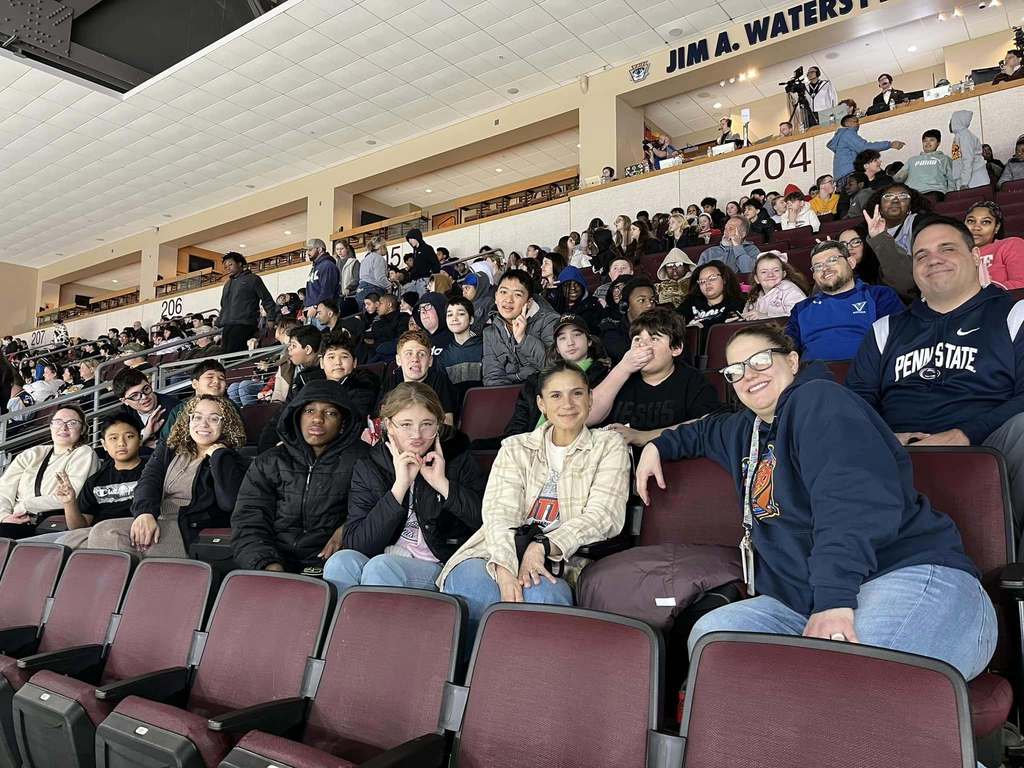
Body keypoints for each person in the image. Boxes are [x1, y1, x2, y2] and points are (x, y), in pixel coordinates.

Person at [636, 325, 995, 681]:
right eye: (735, 371)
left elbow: (850, 502)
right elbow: (700, 431)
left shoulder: (820, 400)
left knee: (848, 679)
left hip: (907, 575)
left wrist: (834, 600)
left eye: (760, 360)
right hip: (804, 602)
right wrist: (658, 446)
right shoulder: (744, 430)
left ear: (792, 361)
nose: (749, 376)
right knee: (713, 636)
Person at [847, 215, 1024, 540]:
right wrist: (884, 437)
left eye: (947, 249)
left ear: (974, 257)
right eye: (921, 255)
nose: (933, 260)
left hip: (989, 442)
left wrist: (965, 434)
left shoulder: (1014, 313)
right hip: (896, 450)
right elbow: (856, 403)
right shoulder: (886, 329)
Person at [439, 361, 631, 635]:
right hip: (496, 549)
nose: (567, 403)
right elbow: (499, 512)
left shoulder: (608, 446)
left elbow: (604, 515)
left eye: (577, 393)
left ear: (590, 399)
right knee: (472, 586)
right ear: (541, 404)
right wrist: (505, 569)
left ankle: (530, 675)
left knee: (542, 597)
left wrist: (542, 545)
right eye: (556, 395)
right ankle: (473, 674)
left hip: (563, 558)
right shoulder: (516, 448)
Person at [323, 383, 484, 592]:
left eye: (427, 424)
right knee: (340, 562)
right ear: (389, 425)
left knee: (380, 568)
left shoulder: (458, 457)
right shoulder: (370, 466)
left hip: (437, 563)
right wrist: (399, 487)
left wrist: (442, 484)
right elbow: (358, 544)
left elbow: (485, 521)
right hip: (386, 556)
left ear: (438, 425)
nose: (416, 434)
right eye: (406, 424)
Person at [233, 381, 369, 573]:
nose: (317, 419)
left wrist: (348, 529)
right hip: (274, 563)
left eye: (330, 413)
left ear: (342, 423)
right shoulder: (269, 462)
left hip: (335, 567)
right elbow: (248, 521)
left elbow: (375, 511)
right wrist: (267, 564)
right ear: (296, 416)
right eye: (309, 411)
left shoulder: (363, 460)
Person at [87, 396, 247, 558]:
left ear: (226, 424)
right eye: (197, 417)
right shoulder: (170, 448)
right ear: (188, 420)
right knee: (84, 536)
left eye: (213, 418)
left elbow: (229, 503)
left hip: (189, 531)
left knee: (107, 534)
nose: (203, 424)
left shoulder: (232, 460)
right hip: (158, 519)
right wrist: (144, 513)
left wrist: (219, 455)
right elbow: (148, 481)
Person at [590, 308, 719, 446]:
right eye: (637, 339)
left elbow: (709, 423)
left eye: (654, 339)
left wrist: (643, 436)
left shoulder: (693, 381)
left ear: (676, 348)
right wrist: (622, 368)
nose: (642, 345)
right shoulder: (619, 376)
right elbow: (587, 418)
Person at [40, 411, 145, 547]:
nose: (121, 443)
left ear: (140, 440)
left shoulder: (154, 472)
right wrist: (69, 502)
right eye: (113, 438)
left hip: (135, 533)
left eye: (129, 436)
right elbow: (79, 527)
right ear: (104, 444)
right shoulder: (95, 481)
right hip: (98, 537)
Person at [787, 240, 903, 361]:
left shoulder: (879, 295)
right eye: (818, 266)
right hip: (812, 374)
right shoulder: (801, 308)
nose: (825, 268)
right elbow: (788, 349)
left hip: (868, 372)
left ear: (851, 262)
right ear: (814, 276)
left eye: (832, 260)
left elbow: (900, 340)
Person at [0, 405, 99, 538]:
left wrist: (24, 506)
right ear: (50, 426)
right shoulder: (32, 453)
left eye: (72, 423)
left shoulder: (84, 453)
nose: (64, 427)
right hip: (12, 520)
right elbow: (4, 490)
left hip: (49, 523)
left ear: (82, 430)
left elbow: (71, 497)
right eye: (58, 422)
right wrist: (4, 516)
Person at [503, 316, 609, 439]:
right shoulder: (535, 381)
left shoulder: (605, 375)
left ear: (589, 341)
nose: (570, 342)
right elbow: (517, 426)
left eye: (577, 335)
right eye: (562, 338)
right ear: (557, 348)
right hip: (531, 447)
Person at [482, 269, 558, 386]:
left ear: (529, 302)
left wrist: (523, 339)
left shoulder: (550, 321)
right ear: (496, 296)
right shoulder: (490, 331)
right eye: (503, 292)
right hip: (508, 395)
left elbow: (553, 367)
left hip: (542, 390)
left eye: (517, 294)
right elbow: (493, 376)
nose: (508, 300)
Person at [380, 329, 459, 425]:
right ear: (398, 360)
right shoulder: (392, 382)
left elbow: (448, 422)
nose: (415, 359)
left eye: (421, 354)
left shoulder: (439, 381)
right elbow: (379, 419)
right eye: (409, 353)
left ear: (430, 361)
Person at [218, 251, 277, 353]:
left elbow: (267, 299)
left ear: (240, 263)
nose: (228, 268)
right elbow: (223, 305)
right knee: (224, 355)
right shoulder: (227, 283)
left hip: (244, 323)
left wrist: (271, 318)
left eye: (230, 264)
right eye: (226, 267)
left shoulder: (253, 279)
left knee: (234, 355)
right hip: (228, 325)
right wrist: (220, 321)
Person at [159, 359, 230, 441]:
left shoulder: (231, 408)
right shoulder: (180, 410)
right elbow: (166, 442)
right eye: (210, 377)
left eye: (221, 378)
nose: (216, 381)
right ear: (195, 384)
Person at [826, 114, 904, 185]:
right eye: (855, 121)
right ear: (847, 123)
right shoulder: (847, 133)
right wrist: (889, 144)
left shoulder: (841, 137)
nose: (858, 124)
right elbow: (864, 147)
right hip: (850, 174)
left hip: (841, 177)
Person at [320, 330, 379, 422]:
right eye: (331, 357)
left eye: (344, 357)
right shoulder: (310, 384)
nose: (338, 362)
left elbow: (355, 421)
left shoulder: (364, 386)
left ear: (354, 362)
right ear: (321, 363)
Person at [112, 368, 177, 451]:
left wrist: (139, 445)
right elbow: (119, 448)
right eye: (135, 395)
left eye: (146, 389)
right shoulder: (124, 414)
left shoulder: (174, 408)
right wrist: (145, 434)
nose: (144, 397)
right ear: (124, 401)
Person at [964, 202, 1024, 290]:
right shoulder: (957, 254)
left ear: (996, 227)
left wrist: (985, 291)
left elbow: (1021, 283)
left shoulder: (1010, 244)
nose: (976, 227)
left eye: (985, 222)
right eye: (971, 221)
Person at [601, 278, 656, 364]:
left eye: (652, 300)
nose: (649, 305)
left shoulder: (662, 327)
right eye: (641, 300)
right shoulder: (612, 334)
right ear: (626, 305)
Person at [742, 252, 809, 320]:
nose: (770, 275)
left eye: (776, 270)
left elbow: (803, 315)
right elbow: (746, 316)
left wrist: (764, 316)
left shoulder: (790, 290)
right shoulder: (755, 295)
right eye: (764, 272)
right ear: (756, 279)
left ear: (783, 274)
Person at [437, 297, 483, 389]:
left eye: (461, 314)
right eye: (449, 315)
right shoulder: (444, 356)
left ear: (471, 319)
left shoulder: (485, 347)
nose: (454, 318)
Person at [894, 130, 954, 199]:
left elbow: (951, 178)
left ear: (938, 143)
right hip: (912, 194)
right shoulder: (912, 160)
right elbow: (899, 177)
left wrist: (950, 194)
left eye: (932, 140)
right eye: (925, 141)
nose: (927, 143)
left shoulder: (944, 159)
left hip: (934, 192)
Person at [550, 266, 602, 332]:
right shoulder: (555, 305)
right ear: (561, 289)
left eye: (576, 284)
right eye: (567, 285)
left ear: (582, 286)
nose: (572, 288)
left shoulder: (593, 306)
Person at [949, 110, 989, 190]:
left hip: (975, 179)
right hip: (969, 178)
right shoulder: (959, 135)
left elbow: (968, 159)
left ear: (958, 120)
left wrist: (964, 182)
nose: (950, 123)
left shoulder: (965, 136)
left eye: (951, 119)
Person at [304, 238, 340, 327]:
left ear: (319, 249)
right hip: (313, 312)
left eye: (310, 249)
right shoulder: (316, 267)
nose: (308, 253)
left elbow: (327, 291)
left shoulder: (328, 266)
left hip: (323, 311)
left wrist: (316, 307)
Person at [405, 228, 440, 294]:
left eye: (412, 239)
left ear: (417, 238)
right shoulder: (415, 252)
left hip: (424, 280)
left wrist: (431, 280)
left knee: (423, 300)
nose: (410, 241)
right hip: (415, 281)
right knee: (405, 293)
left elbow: (436, 264)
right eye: (409, 239)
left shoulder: (427, 248)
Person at [357, 236, 390, 301]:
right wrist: (389, 286)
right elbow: (380, 278)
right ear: (381, 247)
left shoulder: (365, 259)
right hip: (373, 291)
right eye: (385, 246)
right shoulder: (379, 258)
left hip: (361, 290)